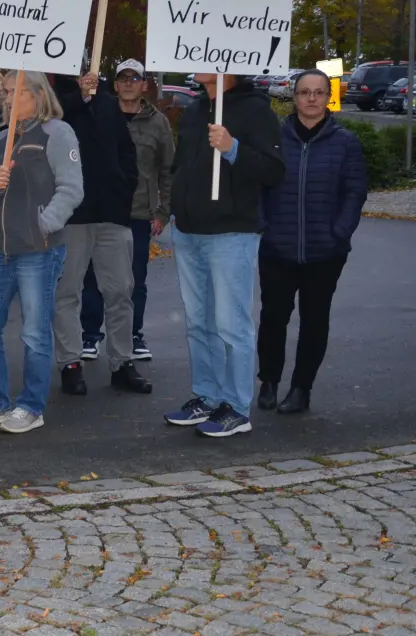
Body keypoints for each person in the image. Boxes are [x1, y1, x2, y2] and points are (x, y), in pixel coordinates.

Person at [164, 72, 284, 439]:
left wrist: (233, 148)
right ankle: (207, 395)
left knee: (231, 324)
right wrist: (175, 209)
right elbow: (183, 165)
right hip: (189, 231)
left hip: (231, 233)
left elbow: (274, 170)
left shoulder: (255, 111)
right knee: (198, 322)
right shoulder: (198, 107)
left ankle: (236, 407)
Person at [0, 71, 83, 435]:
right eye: (7, 91)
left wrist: (44, 223)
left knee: (34, 333)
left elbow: (72, 189)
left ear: (39, 94)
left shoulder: (58, 133)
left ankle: (31, 406)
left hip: (38, 251)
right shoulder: (1, 138)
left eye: (19, 92)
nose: (11, 98)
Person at [256, 69, 367, 415]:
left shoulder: (345, 142)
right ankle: (270, 381)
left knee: (315, 319)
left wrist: (340, 232)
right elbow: (258, 184)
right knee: (274, 317)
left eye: (319, 92)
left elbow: (354, 191)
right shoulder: (275, 138)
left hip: (325, 251)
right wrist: (264, 226)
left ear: (327, 97)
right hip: (277, 247)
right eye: (305, 92)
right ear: (294, 96)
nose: (312, 99)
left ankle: (301, 388)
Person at [47, 69, 147, 397]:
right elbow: (51, 133)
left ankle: (122, 361)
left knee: (120, 290)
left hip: (112, 215)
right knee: (68, 292)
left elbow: (125, 150)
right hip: (72, 217)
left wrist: (123, 187)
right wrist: (80, 98)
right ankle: (71, 363)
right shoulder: (56, 102)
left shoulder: (107, 103)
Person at [80, 61, 173, 364]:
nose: (129, 83)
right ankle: (90, 335)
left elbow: (167, 170)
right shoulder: (97, 113)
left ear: (145, 84)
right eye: (123, 78)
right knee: (93, 276)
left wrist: (162, 211)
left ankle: (133, 334)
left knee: (135, 278)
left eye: (135, 78)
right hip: (100, 209)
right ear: (116, 85)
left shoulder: (158, 123)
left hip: (138, 213)